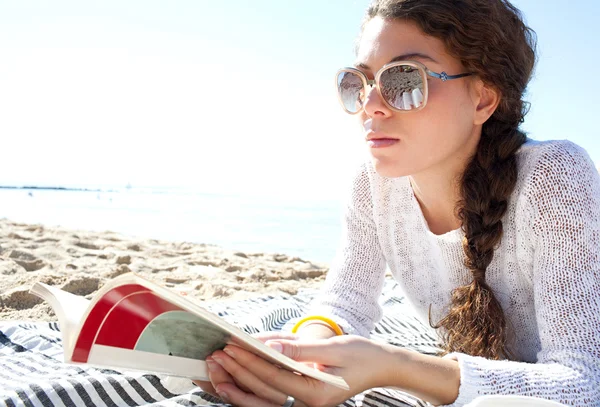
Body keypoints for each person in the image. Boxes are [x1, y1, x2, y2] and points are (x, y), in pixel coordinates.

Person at [195, 0, 600, 405]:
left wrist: (395, 367)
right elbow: (344, 302)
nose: (371, 105)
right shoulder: (375, 184)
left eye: (404, 80)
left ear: (482, 100)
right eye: (359, 82)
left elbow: (585, 383)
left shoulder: (554, 178)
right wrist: (293, 360)